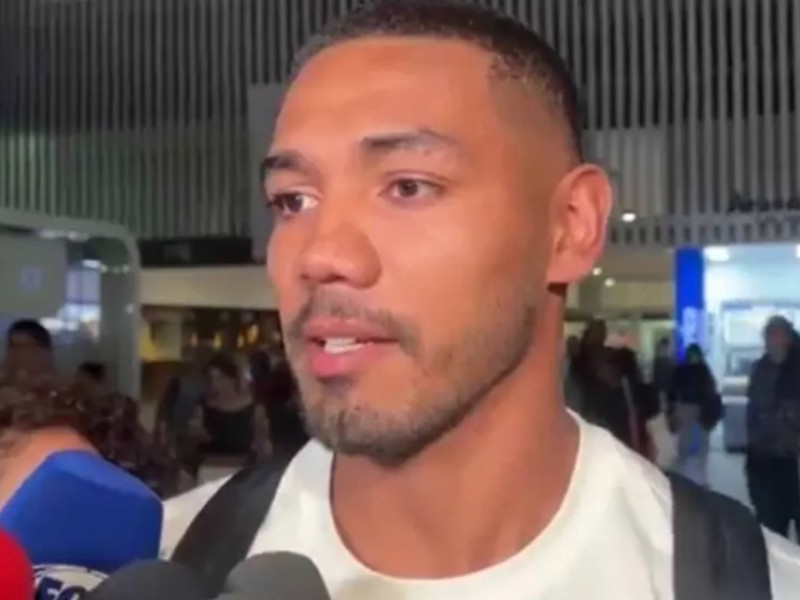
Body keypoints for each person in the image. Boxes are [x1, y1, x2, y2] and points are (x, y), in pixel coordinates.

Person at [161, 1, 800, 596]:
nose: (321, 255)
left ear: (570, 226)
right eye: (292, 200)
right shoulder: (169, 555)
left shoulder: (752, 582)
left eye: (408, 187)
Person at [746, 316, 800, 538]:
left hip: (794, 461)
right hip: (764, 461)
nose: (770, 342)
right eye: (768, 336)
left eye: (775, 335)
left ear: (787, 338)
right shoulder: (760, 369)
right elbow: (752, 412)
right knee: (772, 532)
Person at [184, 354, 270, 481]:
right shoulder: (203, 405)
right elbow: (192, 440)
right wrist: (196, 435)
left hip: (242, 470)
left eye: (220, 378)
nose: (215, 384)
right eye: (210, 379)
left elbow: (262, 442)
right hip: (209, 469)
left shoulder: (253, 406)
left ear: (232, 378)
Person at [668, 344, 720, 487]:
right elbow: (711, 390)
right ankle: (701, 479)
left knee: (685, 441)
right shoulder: (704, 370)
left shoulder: (680, 370)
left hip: (684, 407)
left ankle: (685, 477)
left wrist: (672, 411)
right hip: (701, 408)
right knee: (702, 443)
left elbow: (672, 392)